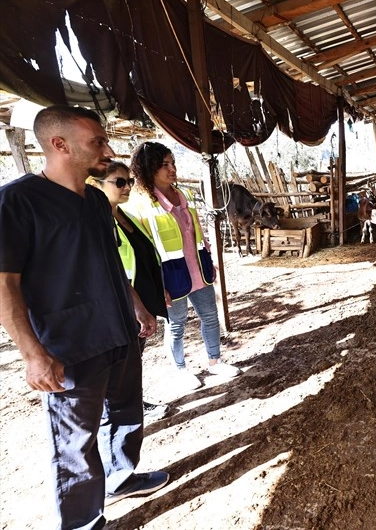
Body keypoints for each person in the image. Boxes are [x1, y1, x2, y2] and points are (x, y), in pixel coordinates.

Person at [0, 105, 169, 530]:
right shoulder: (17, 201)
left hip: (119, 330)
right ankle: (82, 523)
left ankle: (122, 477)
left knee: (127, 412)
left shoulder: (95, 200)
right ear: (59, 144)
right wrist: (32, 354)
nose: (108, 150)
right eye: (97, 142)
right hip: (70, 343)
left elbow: (109, 260)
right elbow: (4, 284)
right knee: (75, 443)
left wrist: (138, 307)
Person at [128, 141, 241, 390]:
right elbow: (144, 252)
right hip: (170, 276)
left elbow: (196, 232)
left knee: (210, 315)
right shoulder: (139, 205)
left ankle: (215, 361)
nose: (172, 169)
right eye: (164, 165)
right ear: (149, 168)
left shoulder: (184, 195)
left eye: (173, 163)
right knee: (176, 324)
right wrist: (158, 285)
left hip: (197, 268)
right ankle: (180, 370)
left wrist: (208, 259)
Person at [91, 161, 170, 421]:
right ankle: (120, 413)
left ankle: (133, 404)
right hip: (121, 305)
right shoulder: (98, 222)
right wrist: (136, 306)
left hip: (141, 303)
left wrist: (158, 290)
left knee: (133, 361)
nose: (127, 187)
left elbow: (145, 258)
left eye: (130, 181)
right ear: (96, 185)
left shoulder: (126, 216)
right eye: (119, 182)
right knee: (120, 365)